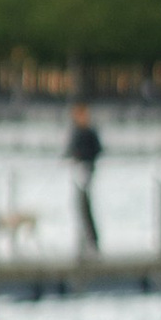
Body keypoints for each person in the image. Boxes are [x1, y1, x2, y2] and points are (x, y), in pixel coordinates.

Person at [66, 101, 103, 252]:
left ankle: (91, 242)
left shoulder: (88, 132)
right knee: (79, 207)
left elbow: (96, 150)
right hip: (78, 173)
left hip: (86, 172)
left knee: (85, 207)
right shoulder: (76, 132)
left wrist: (84, 159)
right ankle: (83, 241)